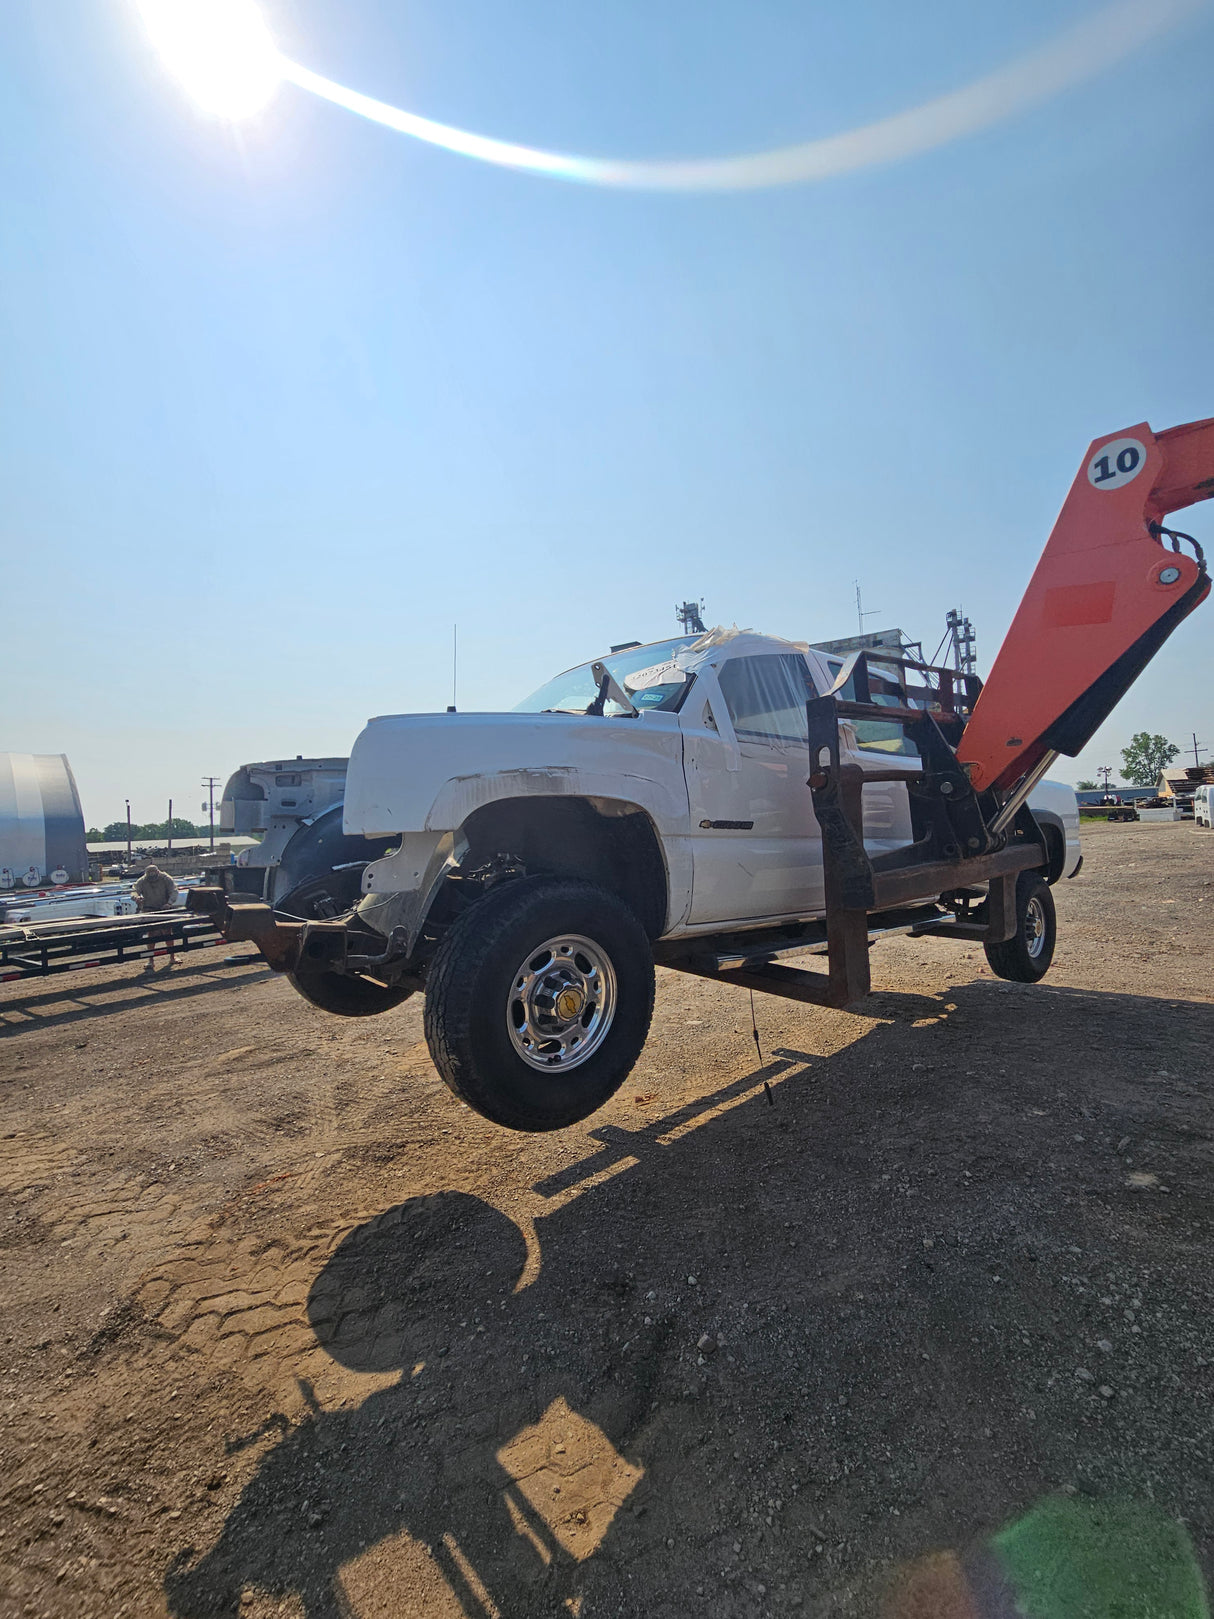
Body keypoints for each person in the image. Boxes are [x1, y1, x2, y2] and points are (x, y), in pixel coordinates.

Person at [132, 864, 179, 970]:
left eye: (154, 873)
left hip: (164, 909)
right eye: (149, 874)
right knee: (151, 935)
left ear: (158, 872)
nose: (152, 876)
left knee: (168, 933)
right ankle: (151, 960)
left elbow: (174, 891)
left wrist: (169, 903)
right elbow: (134, 889)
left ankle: (172, 957)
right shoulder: (142, 880)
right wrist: (136, 897)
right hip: (149, 909)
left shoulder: (166, 878)